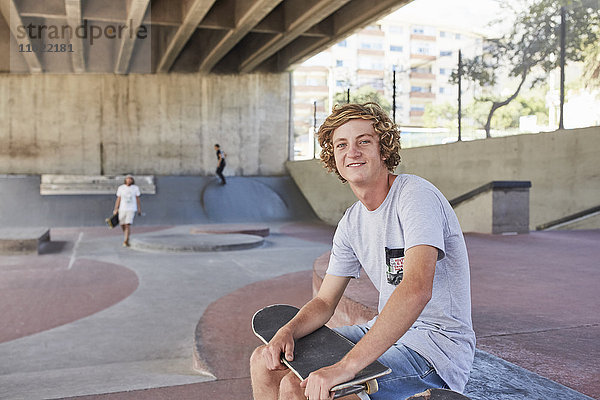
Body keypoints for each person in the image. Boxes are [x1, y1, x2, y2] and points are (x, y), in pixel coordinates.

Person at [250, 103, 475, 400]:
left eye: (364, 141)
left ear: (384, 151)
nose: (352, 152)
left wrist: (345, 367)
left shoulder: (415, 196)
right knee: (264, 362)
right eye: (342, 145)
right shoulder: (352, 221)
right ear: (335, 158)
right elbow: (325, 301)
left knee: (300, 388)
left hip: (435, 349)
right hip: (385, 336)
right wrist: (288, 331)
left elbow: (417, 289)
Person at [113, 175, 141, 247]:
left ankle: (126, 240)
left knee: (127, 224)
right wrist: (116, 208)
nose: (129, 180)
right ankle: (126, 234)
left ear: (132, 180)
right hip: (122, 208)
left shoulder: (135, 188)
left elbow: (137, 199)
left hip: (131, 208)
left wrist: (139, 209)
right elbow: (118, 199)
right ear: (125, 180)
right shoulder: (121, 188)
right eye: (127, 179)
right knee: (122, 224)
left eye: (130, 179)